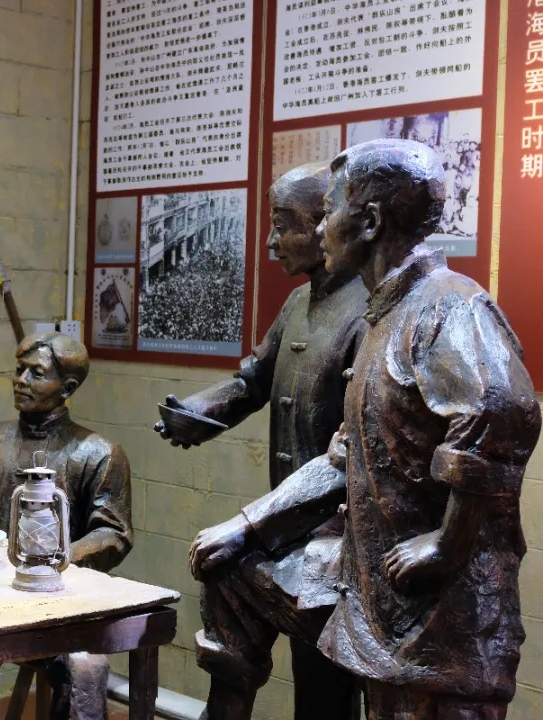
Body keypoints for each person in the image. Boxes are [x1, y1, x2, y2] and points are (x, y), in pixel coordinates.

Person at [189, 139, 541, 719]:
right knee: (233, 571)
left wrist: (447, 542)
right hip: (379, 597)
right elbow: (345, 456)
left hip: (437, 622)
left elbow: (503, 409)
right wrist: (246, 525)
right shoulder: (386, 314)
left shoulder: (448, 306)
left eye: (328, 210)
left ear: (370, 220)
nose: (321, 227)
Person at [154, 162, 368, 720]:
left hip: (339, 539)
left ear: (324, 224)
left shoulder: (368, 312)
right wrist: (195, 413)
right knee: (230, 597)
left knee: (325, 683)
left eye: (282, 225)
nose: (272, 242)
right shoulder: (299, 303)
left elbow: (352, 452)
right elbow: (252, 381)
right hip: (288, 526)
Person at [0, 332, 132, 720]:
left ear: (67, 388)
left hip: (58, 603)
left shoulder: (99, 453)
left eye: (36, 374)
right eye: (19, 370)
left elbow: (114, 534)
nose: (21, 381)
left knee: (85, 669)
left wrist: (54, 561)